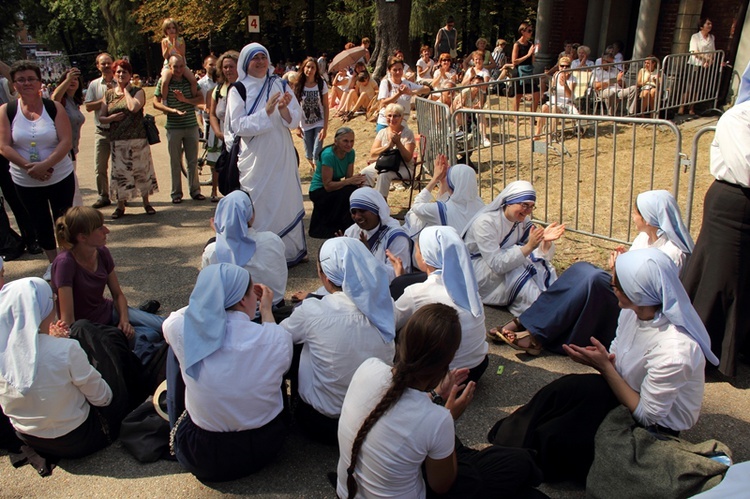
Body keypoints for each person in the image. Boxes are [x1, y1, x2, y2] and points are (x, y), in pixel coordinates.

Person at [488, 249, 718, 484]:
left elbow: (648, 416)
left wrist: (604, 367)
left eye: (617, 282)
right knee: (562, 391)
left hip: (653, 425)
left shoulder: (674, 350)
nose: (611, 284)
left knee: (562, 436)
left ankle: (530, 462)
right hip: (623, 390)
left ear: (636, 292)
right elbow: (618, 353)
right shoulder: (632, 312)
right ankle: (511, 439)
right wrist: (598, 360)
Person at [337, 303, 543, 498]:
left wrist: (434, 396)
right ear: (447, 362)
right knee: (516, 464)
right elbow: (442, 485)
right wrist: (449, 418)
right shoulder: (437, 420)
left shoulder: (368, 367)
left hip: (347, 491)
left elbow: (398, 415)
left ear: (402, 340)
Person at [494, 189, 694, 356]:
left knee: (594, 279)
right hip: (626, 290)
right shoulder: (643, 238)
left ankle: (534, 334)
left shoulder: (673, 251)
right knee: (581, 269)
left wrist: (620, 271)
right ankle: (525, 323)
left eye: (636, 213)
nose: (633, 217)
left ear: (649, 218)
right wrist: (619, 268)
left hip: (640, 305)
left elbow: (656, 291)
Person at [164, 263, 293, 481]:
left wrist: (209, 299)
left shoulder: (180, 329)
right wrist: (267, 310)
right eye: (252, 292)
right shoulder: (276, 338)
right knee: (274, 361)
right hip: (265, 446)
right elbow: (276, 342)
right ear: (244, 300)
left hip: (204, 455)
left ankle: (174, 417)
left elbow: (175, 318)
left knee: (177, 350)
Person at [0, 277, 132, 460]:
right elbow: (103, 398)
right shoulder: (65, 350)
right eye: (52, 301)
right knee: (90, 337)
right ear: (43, 309)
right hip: (80, 439)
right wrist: (67, 345)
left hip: (30, 439)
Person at [280, 238, 395, 444]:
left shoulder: (312, 311)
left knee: (296, 344)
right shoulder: (386, 307)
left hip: (324, 424)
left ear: (324, 275)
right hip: (372, 422)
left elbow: (278, 338)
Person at [682, 101, 750, 377]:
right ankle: (706, 348)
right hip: (732, 206)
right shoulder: (738, 118)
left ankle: (741, 345)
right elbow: (746, 168)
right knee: (720, 278)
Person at [225, 43, 307, 266]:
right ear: (245, 62)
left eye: (263, 57)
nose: (260, 61)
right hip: (256, 157)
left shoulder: (279, 83)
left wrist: (282, 110)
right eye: (255, 58)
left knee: (284, 197)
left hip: (281, 152)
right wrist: (267, 111)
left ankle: (290, 251)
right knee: (260, 203)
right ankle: (262, 254)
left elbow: (295, 119)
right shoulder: (238, 89)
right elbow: (238, 126)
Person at [52, 206, 165, 364]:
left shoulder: (102, 252)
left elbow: (117, 294)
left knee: (165, 325)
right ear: (82, 237)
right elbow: (69, 319)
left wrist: (124, 320)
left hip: (108, 311)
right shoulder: (65, 263)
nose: (107, 231)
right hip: (91, 327)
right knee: (148, 335)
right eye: (99, 228)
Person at [0, 60, 74, 281]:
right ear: (14, 85)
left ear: (40, 82)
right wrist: (30, 167)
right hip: (26, 180)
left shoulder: (53, 108)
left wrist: (46, 164)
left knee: (64, 222)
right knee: (40, 224)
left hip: (59, 175)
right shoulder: (7, 111)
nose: (26, 83)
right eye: (21, 80)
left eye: (31, 78)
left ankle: (67, 260)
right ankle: (53, 264)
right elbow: (4, 146)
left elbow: (66, 141)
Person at [394, 226, 489, 383]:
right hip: (476, 369)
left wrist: (398, 283)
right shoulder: (469, 287)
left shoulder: (417, 292)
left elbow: (389, 323)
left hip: (441, 377)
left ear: (424, 258)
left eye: (418, 250)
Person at [462, 180, 565, 314]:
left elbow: (537, 250)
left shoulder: (521, 220)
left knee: (535, 263)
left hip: (500, 263)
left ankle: (553, 302)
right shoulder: (485, 223)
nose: (528, 211)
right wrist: (529, 247)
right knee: (518, 268)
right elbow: (496, 263)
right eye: (524, 205)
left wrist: (544, 240)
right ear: (509, 202)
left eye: (531, 206)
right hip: (478, 271)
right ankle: (540, 310)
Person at [201, 190, 287, 311]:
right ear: (251, 214)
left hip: (232, 314)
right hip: (274, 308)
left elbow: (208, 291)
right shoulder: (273, 240)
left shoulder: (212, 251)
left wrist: (220, 235)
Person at [99, 59, 159, 219]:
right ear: (113, 74)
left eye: (124, 72)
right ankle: (120, 206)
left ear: (129, 75)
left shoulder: (137, 91)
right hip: (118, 140)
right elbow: (101, 118)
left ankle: (146, 203)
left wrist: (126, 90)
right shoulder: (109, 94)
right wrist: (111, 118)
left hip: (138, 138)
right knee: (120, 173)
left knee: (142, 171)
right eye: (118, 72)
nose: (120, 74)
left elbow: (133, 107)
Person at [153, 55, 205, 203]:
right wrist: (171, 110)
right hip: (173, 127)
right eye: (175, 67)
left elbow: (201, 99)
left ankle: (195, 191)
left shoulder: (190, 81)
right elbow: (156, 103)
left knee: (192, 161)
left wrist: (185, 100)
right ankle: (176, 194)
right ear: (170, 67)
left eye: (181, 66)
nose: (178, 70)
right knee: (175, 161)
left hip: (191, 125)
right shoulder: (165, 83)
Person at [403, 155, 484, 238]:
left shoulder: (442, 209)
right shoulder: (480, 203)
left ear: (451, 183)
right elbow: (444, 200)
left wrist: (435, 179)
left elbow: (416, 206)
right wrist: (443, 181)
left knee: (415, 217)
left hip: (454, 249)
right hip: (475, 250)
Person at [308, 127, 366, 239]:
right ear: (336, 141)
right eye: (345, 141)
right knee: (348, 192)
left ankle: (351, 227)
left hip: (335, 186)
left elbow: (348, 177)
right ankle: (339, 228)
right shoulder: (328, 155)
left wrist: (357, 182)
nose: (349, 144)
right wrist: (349, 181)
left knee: (354, 191)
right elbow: (328, 186)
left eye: (351, 141)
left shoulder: (350, 153)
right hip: (319, 190)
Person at [344, 187, 412, 282]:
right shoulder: (352, 231)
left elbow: (396, 276)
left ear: (376, 211)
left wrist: (368, 257)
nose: (357, 216)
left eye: (362, 211)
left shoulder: (396, 237)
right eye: (353, 212)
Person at [360, 103, 416, 199]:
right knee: (365, 173)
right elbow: (373, 153)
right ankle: (366, 200)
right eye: (389, 116)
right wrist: (388, 146)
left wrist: (398, 143)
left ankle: (380, 205)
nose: (392, 119)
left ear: (402, 118)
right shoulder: (382, 132)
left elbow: (408, 158)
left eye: (396, 116)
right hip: (385, 164)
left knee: (384, 175)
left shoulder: (408, 133)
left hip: (403, 167)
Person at [84, 53, 115, 209]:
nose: (106, 66)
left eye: (109, 63)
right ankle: (103, 196)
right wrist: (104, 99)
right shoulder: (94, 85)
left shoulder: (121, 81)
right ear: (98, 66)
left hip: (119, 131)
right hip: (101, 131)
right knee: (100, 166)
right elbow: (88, 106)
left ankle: (121, 194)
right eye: (103, 64)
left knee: (121, 165)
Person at [208, 50, 239, 203]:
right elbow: (212, 113)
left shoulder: (244, 87)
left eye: (231, 66)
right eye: (225, 67)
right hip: (226, 142)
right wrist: (217, 132)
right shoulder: (219, 89)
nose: (228, 70)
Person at [51, 68, 85, 206]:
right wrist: (68, 79)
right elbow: (55, 97)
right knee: (72, 187)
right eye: (69, 78)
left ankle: (75, 215)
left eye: (75, 79)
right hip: (62, 150)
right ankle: (77, 216)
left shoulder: (74, 102)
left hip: (72, 150)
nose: (72, 81)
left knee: (72, 184)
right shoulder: (61, 101)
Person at [374, 57, 430, 132]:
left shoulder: (407, 83)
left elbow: (427, 89)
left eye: (400, 69)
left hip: (401, 123)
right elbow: (383, 102)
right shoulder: (385, 83)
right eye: (395, 70)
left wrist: (412, 92)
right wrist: (399, 93)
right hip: (386, 123)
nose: (398, 72)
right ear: (389, 70)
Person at [294, 57, 329, 172]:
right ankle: (315, 169)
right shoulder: (299, 84)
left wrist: (325, 127)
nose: (310, 70)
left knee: (316, 151)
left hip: (319, 121)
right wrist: (297, 127)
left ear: (316, 69)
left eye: (313, 67)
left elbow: (326, 105)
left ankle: (319, 174)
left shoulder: (320, 84)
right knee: (308, 153)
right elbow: (295, 106)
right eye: (308, 67)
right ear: (304, 68)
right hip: (305, 123)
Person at [533, 56, 577, 139]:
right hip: (554, 101)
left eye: (567, 66)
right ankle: (538, 133)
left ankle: (551, 134)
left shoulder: (573, 79)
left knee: (554, 109)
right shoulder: (556, 75)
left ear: (570, 67)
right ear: (559, 67)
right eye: (562, 66)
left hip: (566, 103)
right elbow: (552, 89)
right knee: (544, 108)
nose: (564, 68)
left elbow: (570, 95)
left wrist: (565, 84)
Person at [679, 18, 715, 116]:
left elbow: (713, 51)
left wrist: (710, 60)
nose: (710, 25)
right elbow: (694, 51)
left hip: (704, 66)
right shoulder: (695, 37)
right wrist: (705, 59)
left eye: (710, 23)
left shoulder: (711, 37)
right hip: (694, 64)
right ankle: (681, 107)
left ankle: (691, 108)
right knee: (689, 86)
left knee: (697, 88)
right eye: (708, 23)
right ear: (701, 26)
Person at [158, 18, 199, 103]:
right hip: (168, 64)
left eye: (173, 28)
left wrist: (175, 45)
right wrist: (168, 48)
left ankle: (194, 99)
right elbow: (165, 56)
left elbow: (182, 54)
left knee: (193, 80)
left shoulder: (181, 40)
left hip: (181, 63)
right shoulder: (164, 41)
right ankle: (164, 100)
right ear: (165, 30)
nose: (171, 30)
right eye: (169, 28)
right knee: (165, 81)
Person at [512, 22, 540, 114]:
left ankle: (532, 115)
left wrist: (533, 53)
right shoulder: (517, 44)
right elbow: (514, 61)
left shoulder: (530, 44)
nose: (531, 33)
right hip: (519, 72)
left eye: (531, 31)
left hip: (529, 71)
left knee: (536, 94)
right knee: (518, 95)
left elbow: (532, 61)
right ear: (522, 32)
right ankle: (516, 117)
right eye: (529, 30)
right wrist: (528, 55)